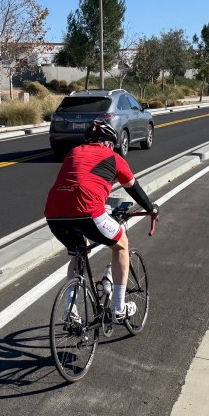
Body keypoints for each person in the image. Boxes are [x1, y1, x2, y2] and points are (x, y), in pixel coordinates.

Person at [44, 120, 158, 321]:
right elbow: (133, 187)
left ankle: (70, 310)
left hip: (54, 214)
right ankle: (118, 308)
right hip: (88, 211)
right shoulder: (113, 157)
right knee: (121, 245)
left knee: (78, 253)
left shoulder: (73, 152)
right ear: (108, 143)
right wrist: (151, 209)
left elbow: (78, 180)